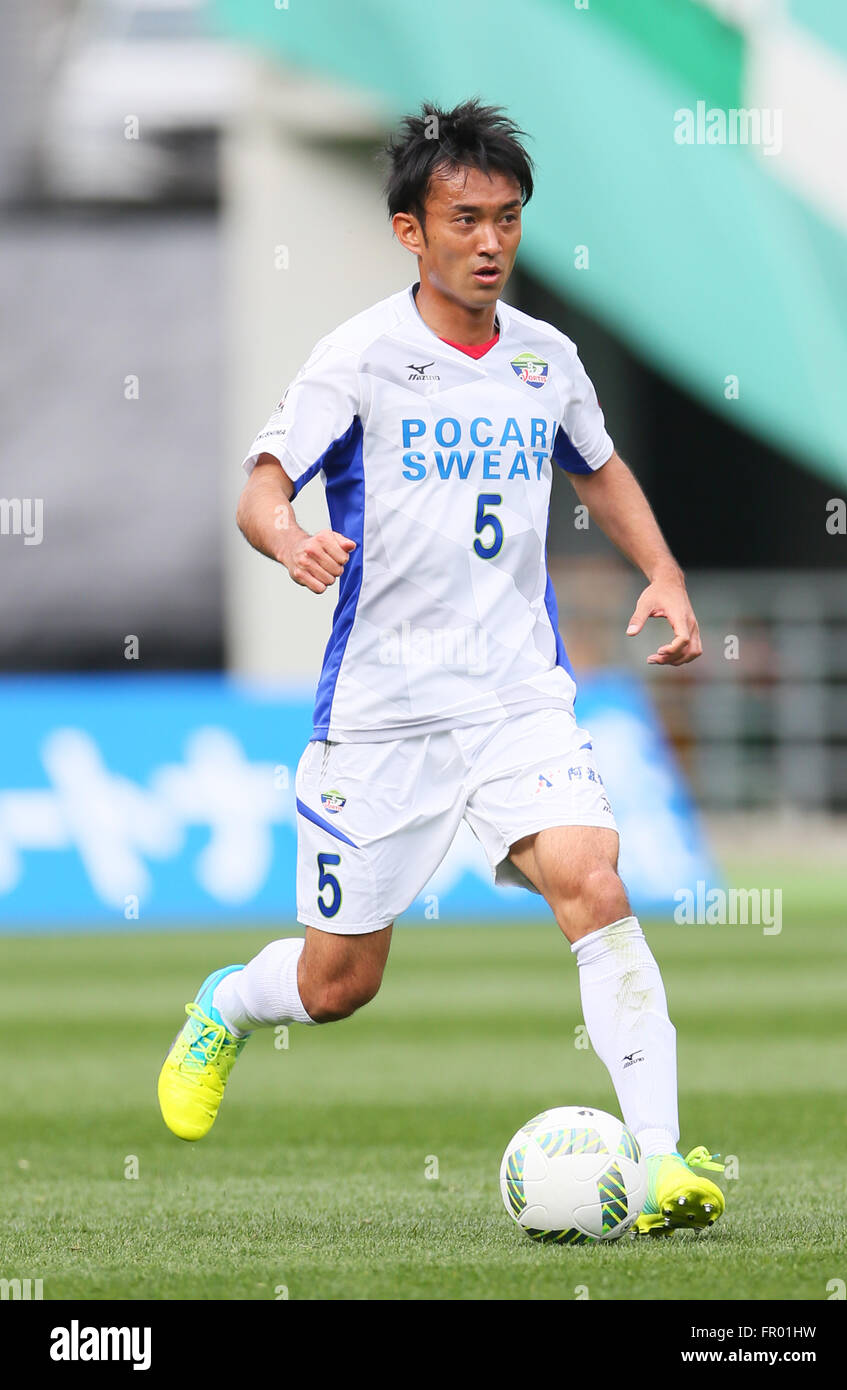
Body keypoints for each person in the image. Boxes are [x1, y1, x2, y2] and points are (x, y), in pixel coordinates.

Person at [158, 99, 725, 1236]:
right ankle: (226, 1001)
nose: (489, 241)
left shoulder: (545, 359)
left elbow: (597, 468)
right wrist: (289, 537)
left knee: (593, 880)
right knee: (338, 985)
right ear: (408, 231)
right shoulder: (357, 358)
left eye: (507, 219)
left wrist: (661, 572)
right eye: (464, 218)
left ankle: (660, 1164)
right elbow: (260, 486)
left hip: (517, 697)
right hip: (379, 717)